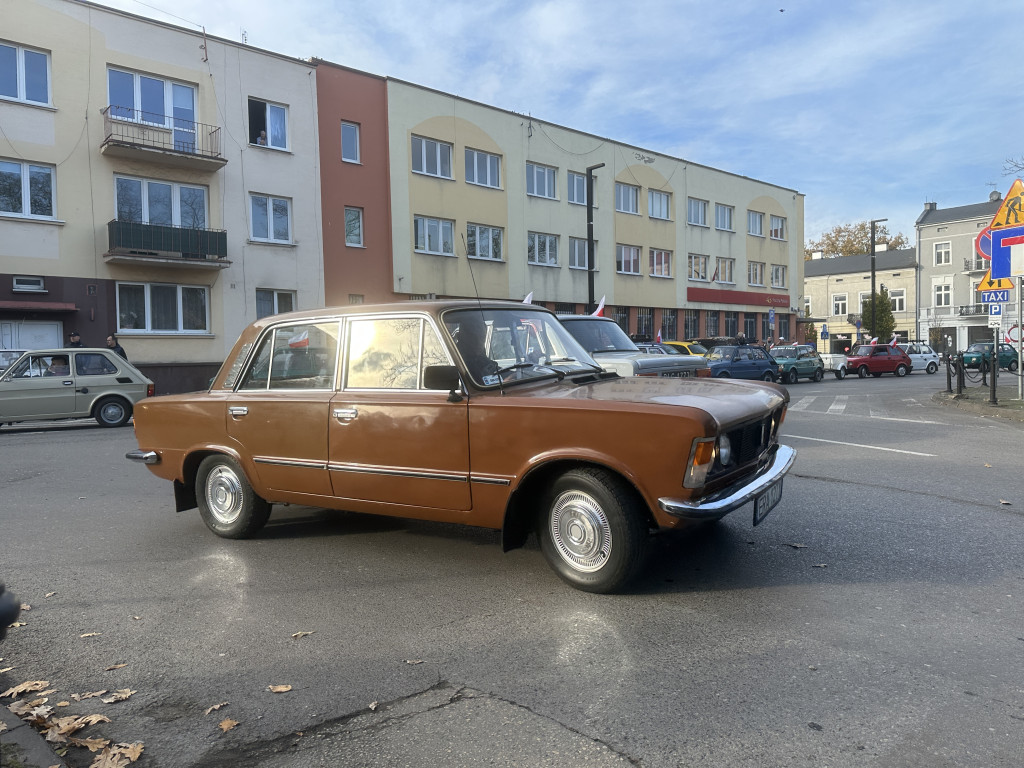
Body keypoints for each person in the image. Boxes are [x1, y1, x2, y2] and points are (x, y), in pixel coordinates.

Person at [455, 315, 497, 380]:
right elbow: (479, 382)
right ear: (461, 337)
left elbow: (491, 369)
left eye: (482, 337)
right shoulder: (457, 359)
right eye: (474, 338)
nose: (479, 342)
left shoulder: (481, 358)